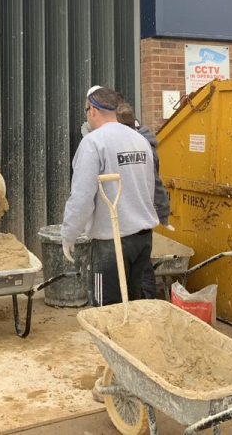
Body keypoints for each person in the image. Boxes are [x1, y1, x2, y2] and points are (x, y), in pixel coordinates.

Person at [61, 87, 158, 306]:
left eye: (87, 110)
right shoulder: (139, 140)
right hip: (142, 238)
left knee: (106, 310)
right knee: (136, 306)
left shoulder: (93, 143)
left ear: (92, 110)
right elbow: (148, 186)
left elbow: (82, 197)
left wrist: (69, 234)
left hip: (112, 243)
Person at [116, 101, 171, 299]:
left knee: (138, 267)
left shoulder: (136, 145)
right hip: (143, 212)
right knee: (142, 265)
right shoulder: (145, 141)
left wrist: (162, 212)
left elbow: (154, 180)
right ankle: (146, 302)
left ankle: (146, 303)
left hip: (134, 212)